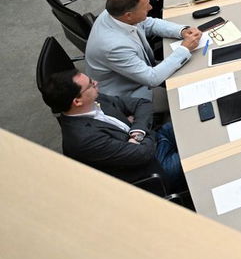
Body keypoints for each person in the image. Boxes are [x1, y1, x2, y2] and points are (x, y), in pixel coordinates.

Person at [45, 69, 186, 190]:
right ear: (77, 101)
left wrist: (137, 132)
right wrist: (139, 127)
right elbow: (143, 154)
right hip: (154, 168)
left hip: (154, 138)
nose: (96, 82)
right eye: (90, 84)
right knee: (203, 150)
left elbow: (142, 104)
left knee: (199, 124)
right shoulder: (83, 140)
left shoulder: (95, 99)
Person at [85, 0, 200, 104]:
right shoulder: (113, 47)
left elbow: (148, 23)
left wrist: (181, 31)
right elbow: (152, 78)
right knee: (192, 93)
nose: (150, 8)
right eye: (146, 7)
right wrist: (185, 48)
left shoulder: (116, 13)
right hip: (129, 96)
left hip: (141, 74)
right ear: (128, 15)